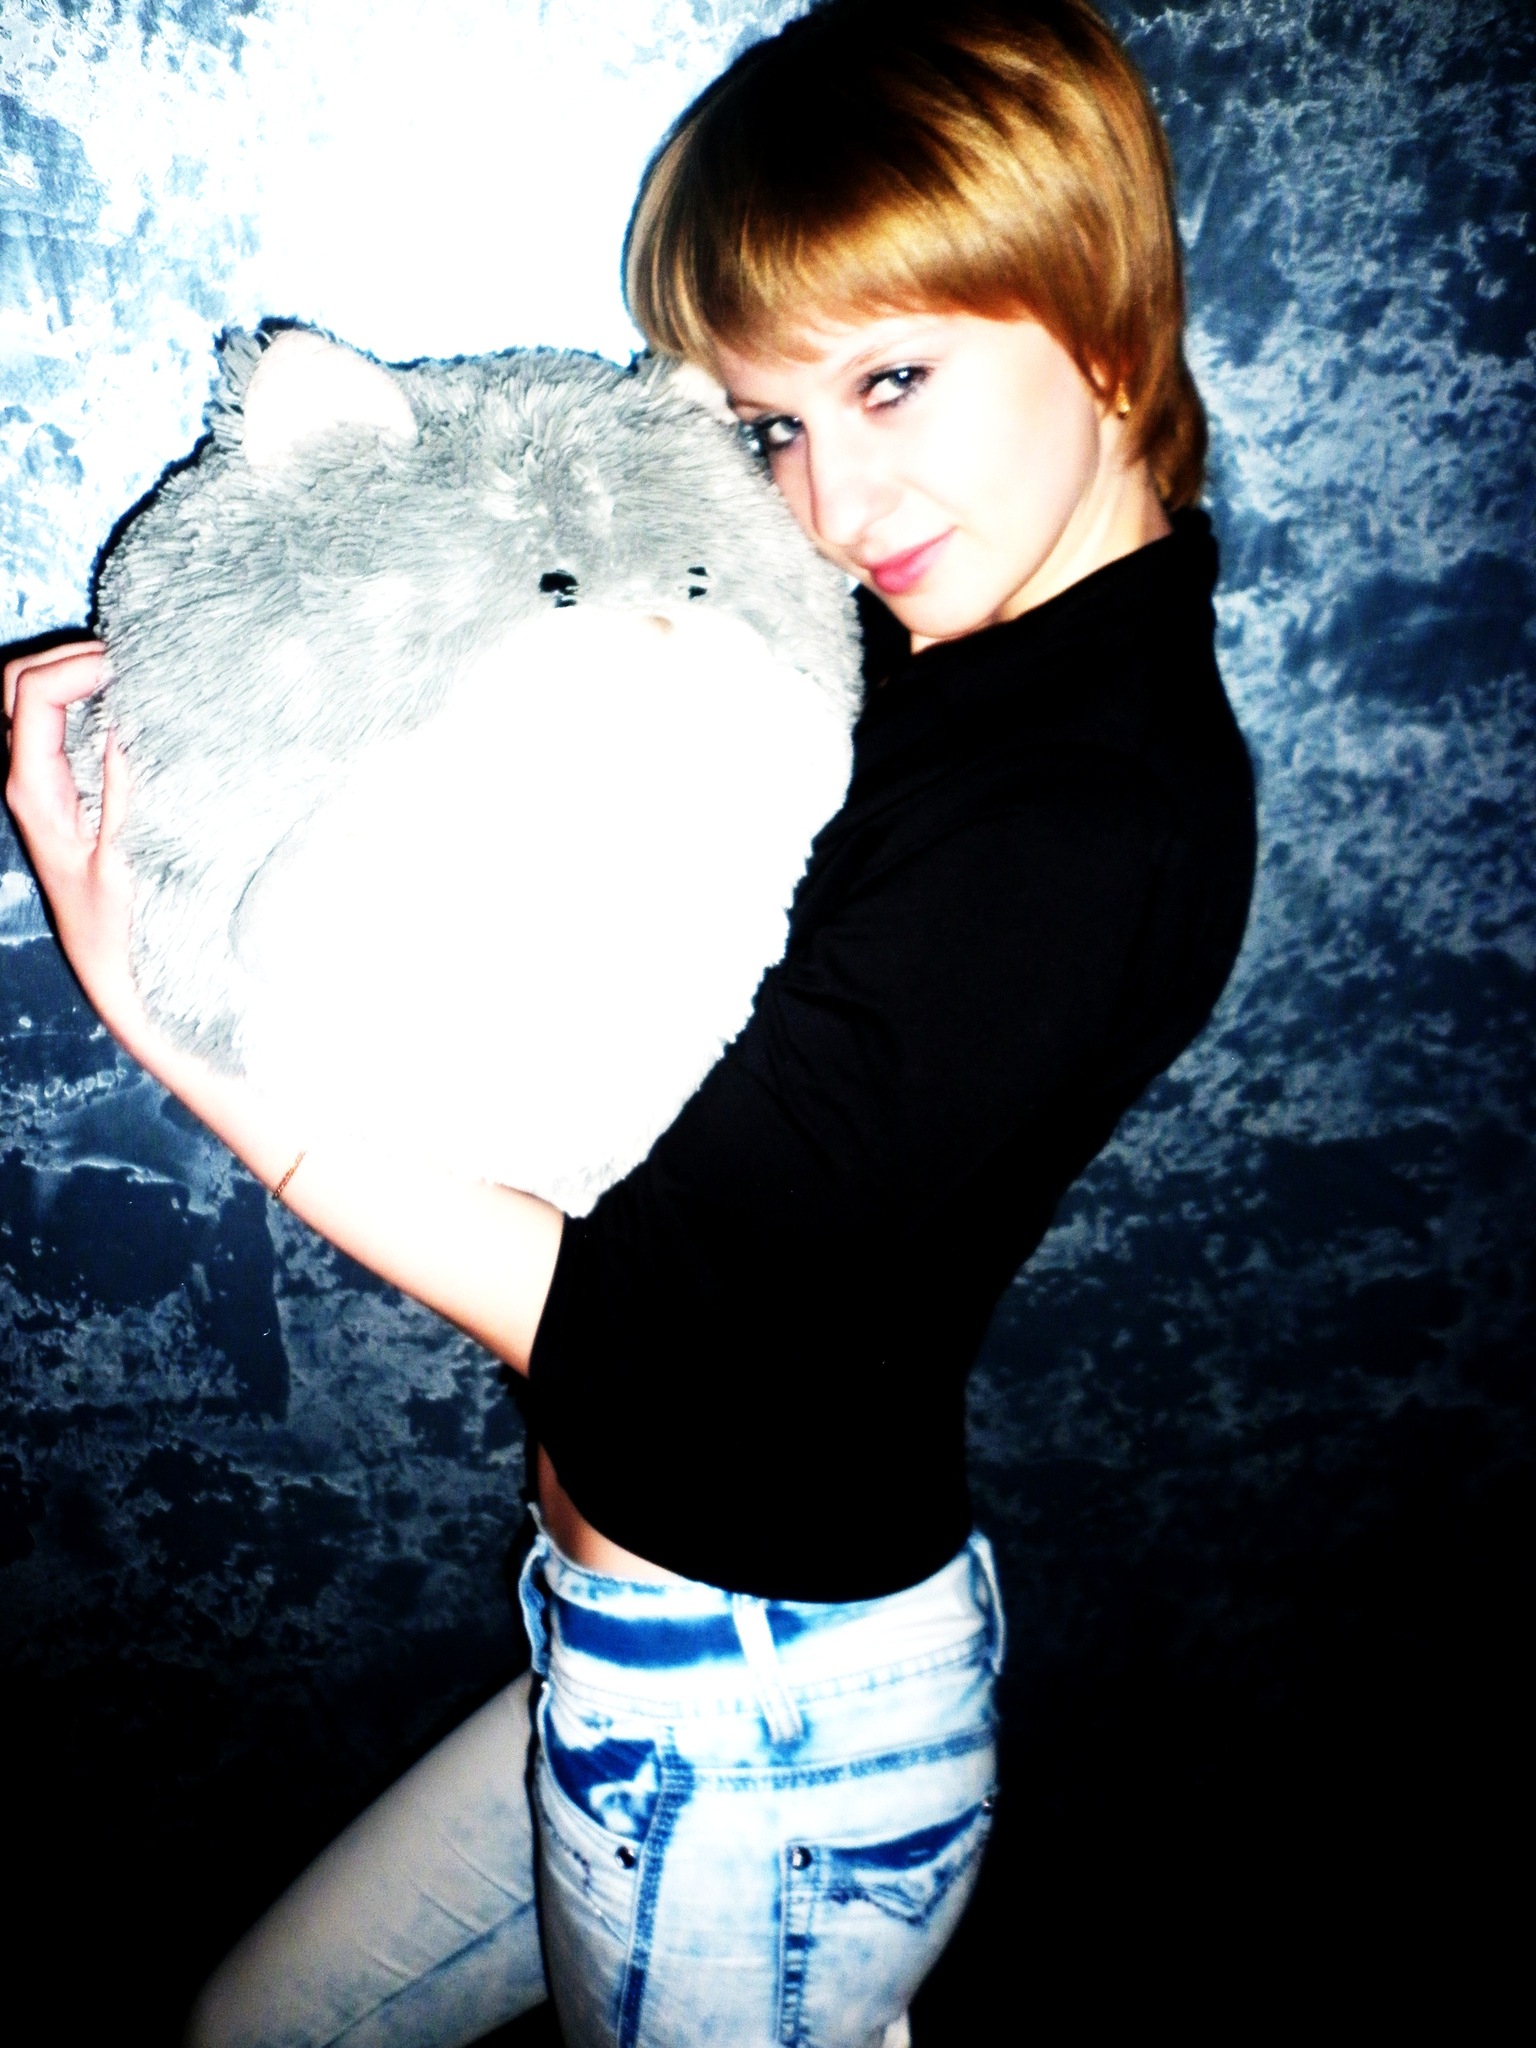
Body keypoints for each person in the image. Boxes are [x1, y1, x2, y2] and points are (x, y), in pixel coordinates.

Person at [3, 3, 1256, 2043]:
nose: (832, 498)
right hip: (674, 1639)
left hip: (755, 1721)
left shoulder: (1076, 812)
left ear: (1105, 313)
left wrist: (164, 1014)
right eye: (772, 425)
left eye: (892, 378)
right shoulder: (985, 674)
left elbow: (654, 1343)